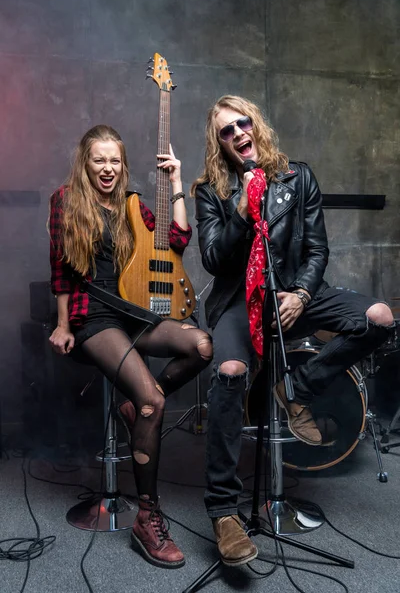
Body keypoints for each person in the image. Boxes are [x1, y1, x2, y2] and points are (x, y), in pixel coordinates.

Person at [192, 95, 395, 566]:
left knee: (380, 317)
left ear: (255, 124)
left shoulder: (297, 177)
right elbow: (213, 259)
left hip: (294, 294)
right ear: (219, 142)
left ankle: (296, 387)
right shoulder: (211, 190)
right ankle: (224, 512)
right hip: (242, 299)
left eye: (243, 122)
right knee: (229, 369)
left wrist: (302, 293)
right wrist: (242, 208)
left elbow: (317, 250)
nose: (238, 132)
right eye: (226, 130)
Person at [48, 124, 212, 569]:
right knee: (153, 402)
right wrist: (63, 324)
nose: (107, 168)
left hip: (132, 313)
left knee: (200, 346)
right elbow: (61, 272)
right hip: (92, 318)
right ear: (86, 162)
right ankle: (147, 517)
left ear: (123, 165)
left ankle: (139, 407)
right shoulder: (66, 200)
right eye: (99, 159)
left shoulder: (133, 204)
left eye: (114, 160)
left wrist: (178, 181)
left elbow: (178, 240)